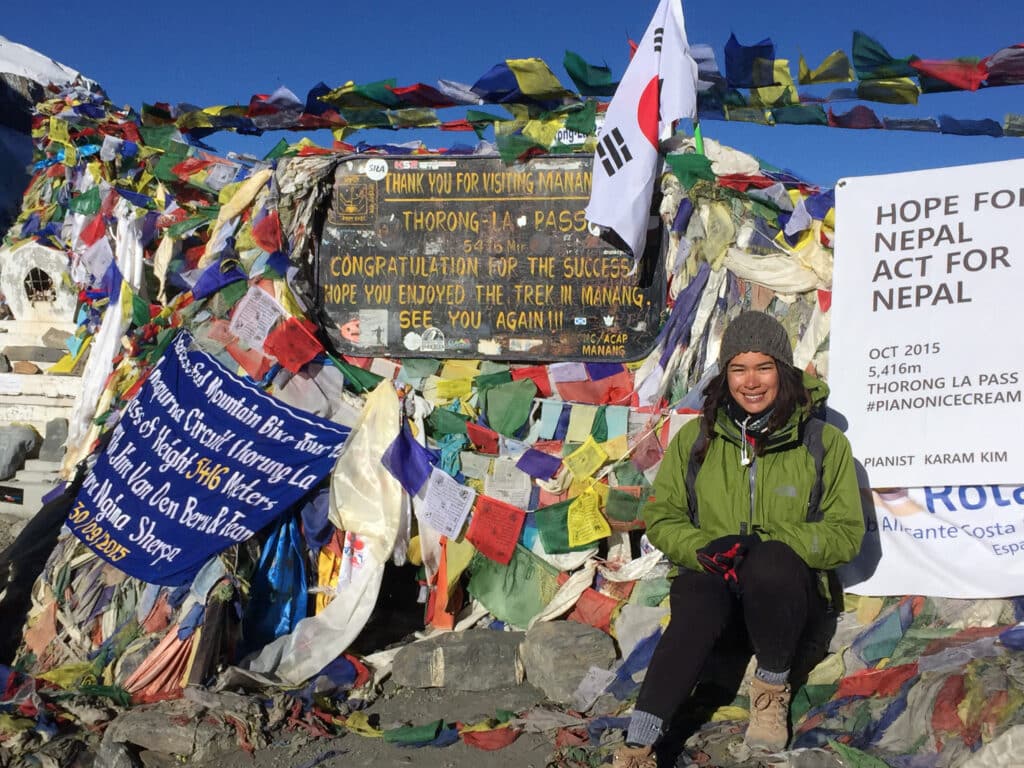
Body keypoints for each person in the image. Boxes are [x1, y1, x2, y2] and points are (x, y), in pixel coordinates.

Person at [613, 311, 864, 768]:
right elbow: (663, 516)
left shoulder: (823, 443)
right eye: (738, 368)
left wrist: (763, 543)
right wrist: (701, 549)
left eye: (763, 367)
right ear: (725, 374)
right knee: (696, 594)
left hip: (786, 601)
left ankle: (770, 690)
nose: (751, 382)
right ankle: (639, 742)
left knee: (770, 561)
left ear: (783, 371)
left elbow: (845, 535)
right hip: (716, 585)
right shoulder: (696, 439)